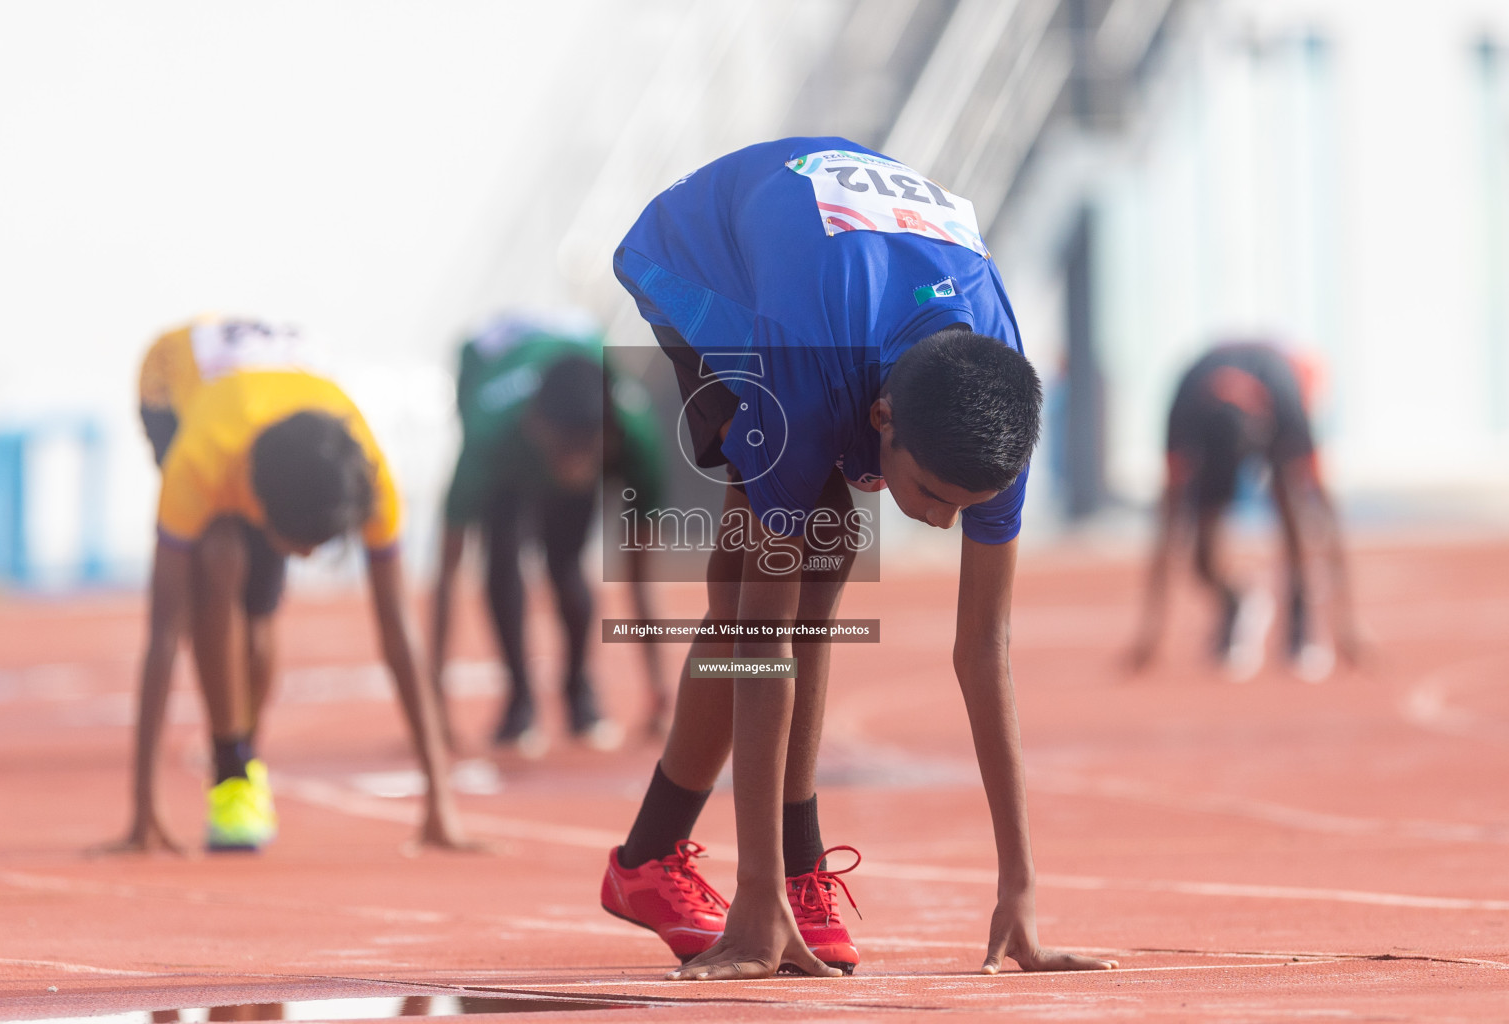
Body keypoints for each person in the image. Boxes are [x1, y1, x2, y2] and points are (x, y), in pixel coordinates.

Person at [596, 137, 1117, 980]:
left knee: (781, 565)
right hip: (707, 261)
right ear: (881, 419)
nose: (945, 525)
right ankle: (774, 872)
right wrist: (755, 892)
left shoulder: (995, 415)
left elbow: (985, 649)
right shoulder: (807, 374)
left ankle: (652, 857)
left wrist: (1019, 887)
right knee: (811, 550)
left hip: (842, 275)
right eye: (930, 496)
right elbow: (764, 646)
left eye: (965, 507)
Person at [112, 316, 467, 853]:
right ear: (260, 501)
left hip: (276, 414)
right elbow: (163, 631)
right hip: (172, 387)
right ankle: (230, 767)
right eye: (300, 541)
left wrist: (440, 802)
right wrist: (144, 809)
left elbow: (399, 632)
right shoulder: (201, 461)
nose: (311, 556)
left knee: (260, 606)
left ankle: (242, 759)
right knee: (219, 554)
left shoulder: (369, 477)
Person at [430, 311, 669, 756]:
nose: (572, 469)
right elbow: (447, 569)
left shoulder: (635, 436)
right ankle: (518, 701)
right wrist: (433, 700)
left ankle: (579, 695)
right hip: (493, 379)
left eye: (585, 454)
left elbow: (640, 576)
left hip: (578, 368)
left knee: (566, 561)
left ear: (606, 438)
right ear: (538, 429)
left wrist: (659, 693)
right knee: (500, 559)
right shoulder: (489, 437)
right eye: (563, 453)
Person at [1127, 340, 1362, 681]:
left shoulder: (1287, 403)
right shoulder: (1186, 416)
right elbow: (1169, 521)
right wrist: (1149, 633)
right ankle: (1235, 600)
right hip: (1212, 421)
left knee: (1293, 503)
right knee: (1201, 553)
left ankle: (1300, 619)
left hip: (1282, 383)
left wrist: (1347, 627)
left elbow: (1325, 509)